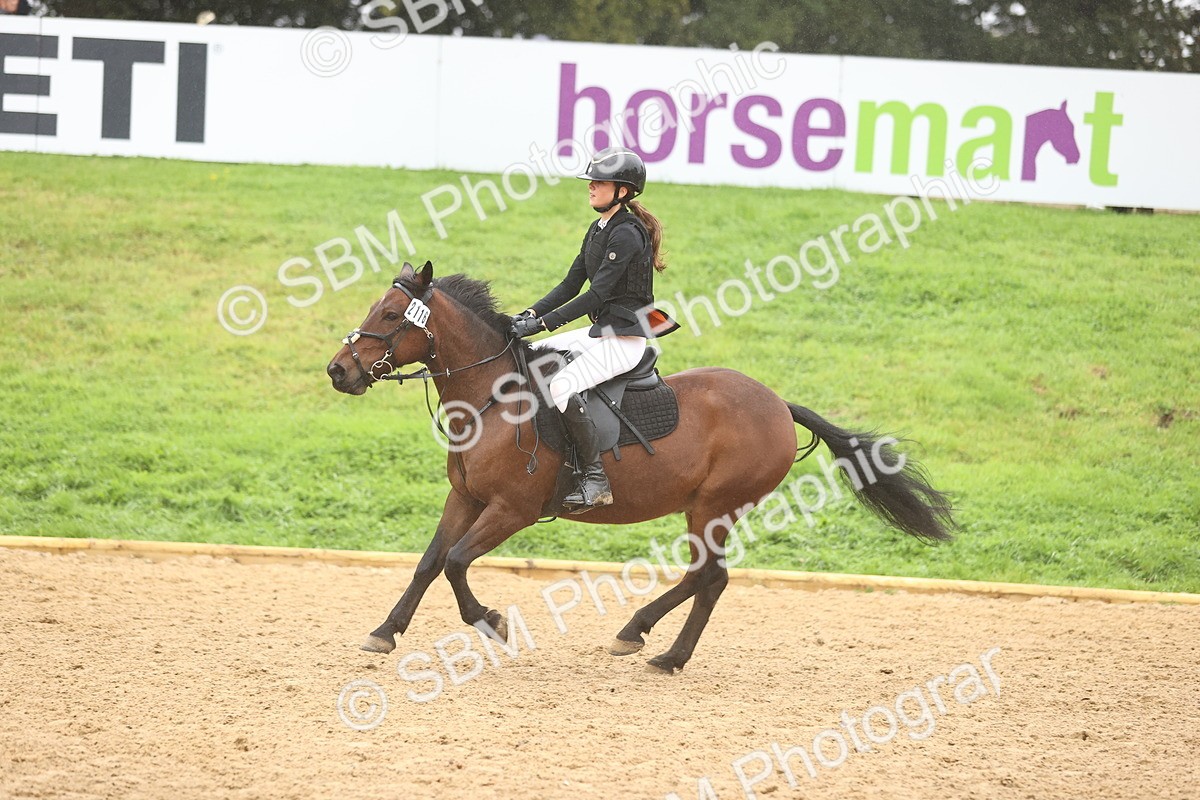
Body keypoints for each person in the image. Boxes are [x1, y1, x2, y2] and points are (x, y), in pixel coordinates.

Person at [510, 146, 675, 512]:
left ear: (623, 190)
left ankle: (595, 478)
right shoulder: (598, 228)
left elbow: (597, 293)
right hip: (601, 332)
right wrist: (528, 315)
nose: (591, 187)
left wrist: (543, 323)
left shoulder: (628, 234)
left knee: (561, 384)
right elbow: (571, 284)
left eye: (599, 182)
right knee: (535, 355)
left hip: (624, 339)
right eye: (591, 182)